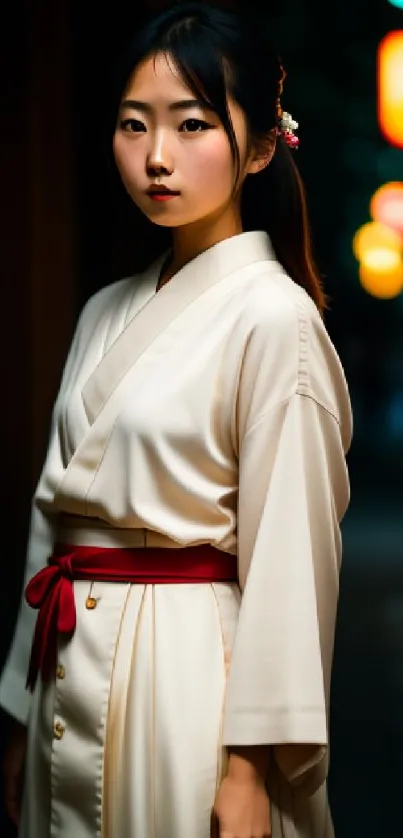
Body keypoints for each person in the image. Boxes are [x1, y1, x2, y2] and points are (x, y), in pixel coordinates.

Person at [1, 2, 352, 836]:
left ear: (262, 145)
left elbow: (290, 565)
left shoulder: (274, 319)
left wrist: (248, 770)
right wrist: (20, 705)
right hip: (68, 658)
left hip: (188, 677)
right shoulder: (102, 311)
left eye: (191, 124)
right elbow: (52, 524)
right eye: (133, 125)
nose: (157, 157)